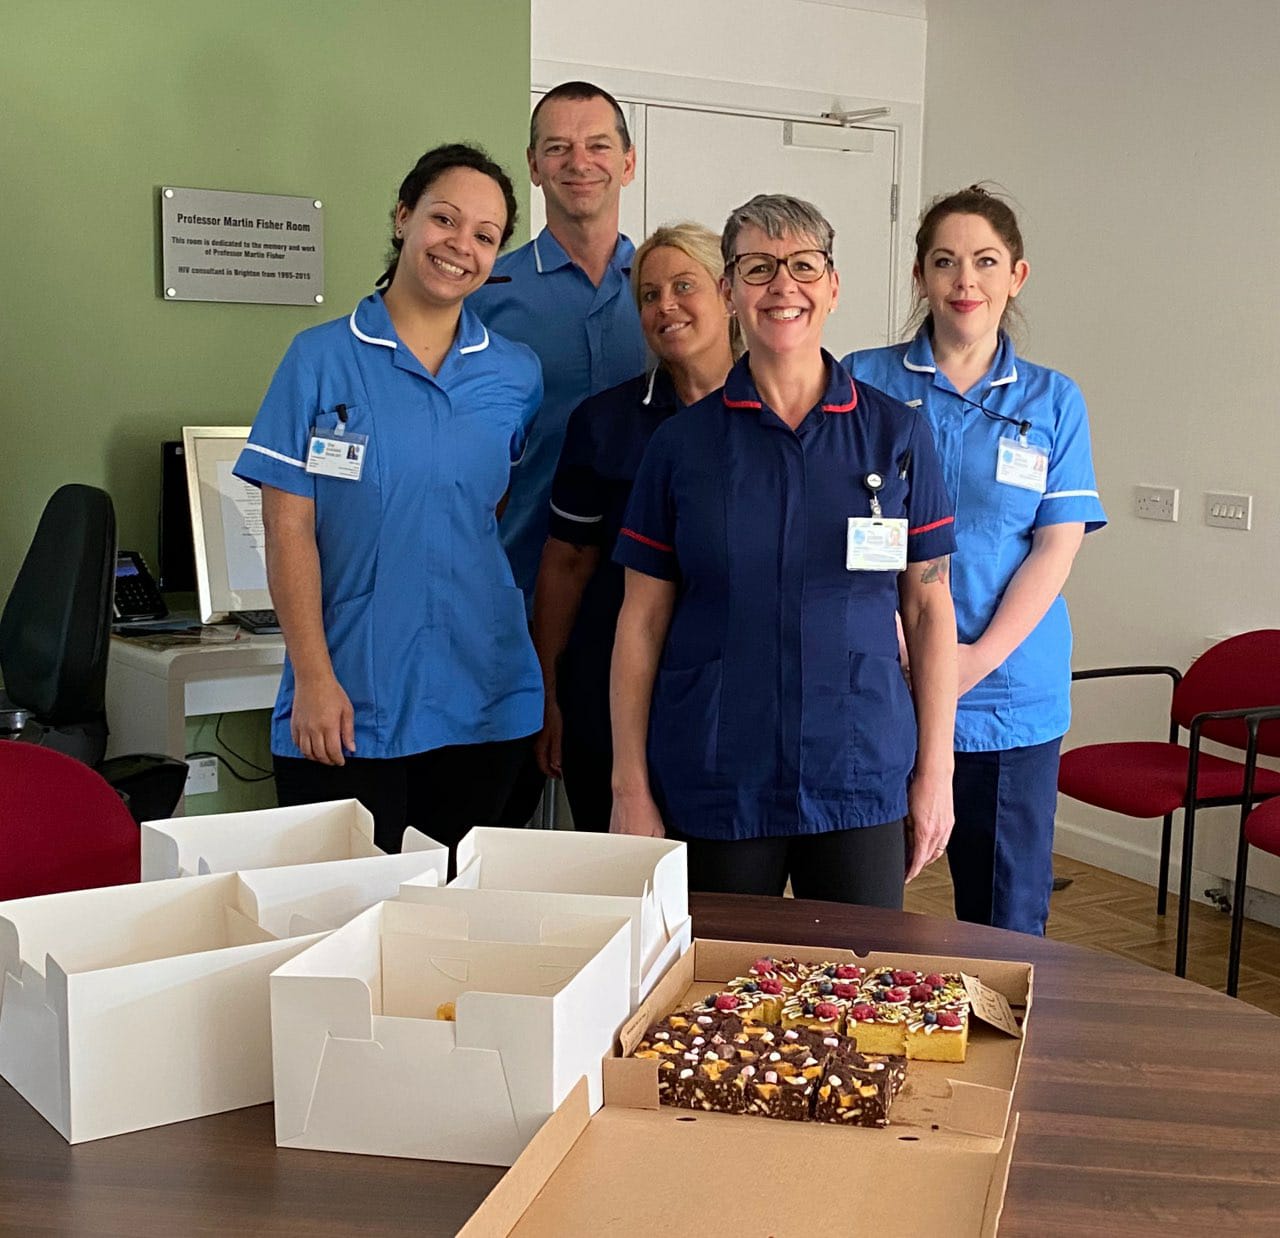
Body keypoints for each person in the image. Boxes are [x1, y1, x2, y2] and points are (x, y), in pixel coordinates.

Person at [610, 194, 958, 905]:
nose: (783, 286)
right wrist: (629, 785)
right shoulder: (682, 447)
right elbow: (640, 623)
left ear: (832, 286)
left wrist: (936, 771)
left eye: (804, 265)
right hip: (718, 772)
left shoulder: (896, 437)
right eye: (759, 268)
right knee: (720, 997)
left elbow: (928, 609)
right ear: (731, 290)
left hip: (858, 769)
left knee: (857, 990)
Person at [232, 143, 543, 857]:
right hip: (348, 697)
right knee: (338, 925)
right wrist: (312, 676)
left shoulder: (515, 375)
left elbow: (482, 514)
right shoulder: (319, 359)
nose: (460, 245)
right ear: (404, 218)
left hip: (486, 696)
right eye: (444, 219)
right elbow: (287, 528)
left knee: (453, 923)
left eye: (485, 235)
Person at [843, 185, 1106, 935]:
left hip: (1008, 698)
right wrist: (900, 642)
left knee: (1006, 920)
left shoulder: (1053, 401)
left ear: (1015, 276)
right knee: (859, 911)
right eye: (946, 261)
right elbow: (842, 525)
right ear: (921, 276)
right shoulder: (864, 380)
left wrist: (973, 660)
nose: (966, 281)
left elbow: (1056, 546)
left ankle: (1011, 1049)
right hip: (879, 681)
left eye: (985, 262)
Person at [468, 80, 647, 827]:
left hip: (648, 602)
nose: (581, 163)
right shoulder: (486, 290)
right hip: (511, 597)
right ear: (534, 168)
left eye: (599, 144)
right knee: (495, 831)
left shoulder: (672, 290)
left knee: (632, 840)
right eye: (559, 148)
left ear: (628, 163)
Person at [532, 222, 740, 831]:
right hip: (608, 694)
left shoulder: (779, 417)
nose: (666, 306)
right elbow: (567, 562)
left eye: (684, 286)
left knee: (719, 904)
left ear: (727, 295)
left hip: (729, 702)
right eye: (650, 295)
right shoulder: (604, 422)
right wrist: (549, 692)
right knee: (619, 890)